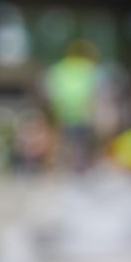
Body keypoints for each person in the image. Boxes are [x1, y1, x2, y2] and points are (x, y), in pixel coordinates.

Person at [44, 39, 103, 174]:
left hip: (63, 111)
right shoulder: (88, 68)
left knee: (64, 141)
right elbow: (94, 91)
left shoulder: (59, 68)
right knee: (81, 142)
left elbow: (51, 89)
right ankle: (79, 166)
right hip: (83, 111)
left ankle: (63, 166)